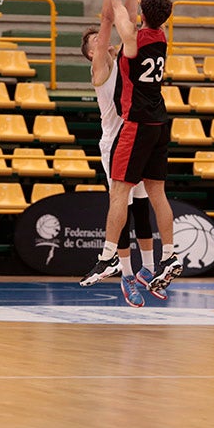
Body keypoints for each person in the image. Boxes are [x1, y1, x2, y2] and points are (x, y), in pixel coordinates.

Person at [99, 0, 181, 307]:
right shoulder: (161, 36)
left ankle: (114, 262)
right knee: (154, 194)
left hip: (135, 124)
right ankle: (167, 255)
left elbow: (117, 10)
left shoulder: (131, 40)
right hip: (158, 121)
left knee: (124, 198)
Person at [76, 15, 161, 298]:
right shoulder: (99, 68)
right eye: (95, 41)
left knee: (141, 207)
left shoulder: (124, 61)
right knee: (121, 208)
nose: (102, 41)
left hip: (135, 137)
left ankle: (147, 271)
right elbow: (111, 20)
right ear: (91, 53)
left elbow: (128, 21)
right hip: (114, 144)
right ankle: (126, 275)